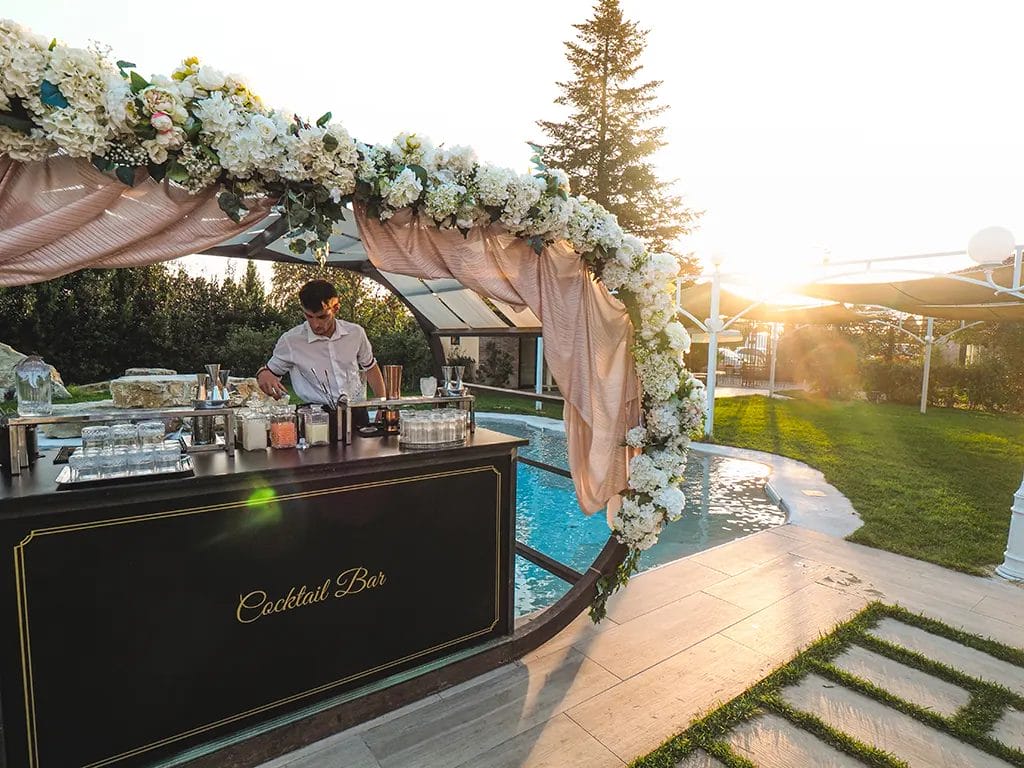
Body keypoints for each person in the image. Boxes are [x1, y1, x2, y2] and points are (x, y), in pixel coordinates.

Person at [256, 280, 387, 423]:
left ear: (336, 308)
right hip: (315, 416)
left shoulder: (355, 333)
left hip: (356, 412)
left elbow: (370, 367)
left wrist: (382, 404)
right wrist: (263, 375)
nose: (315, 324)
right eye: (309, 316)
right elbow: (269, 373)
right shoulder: (291, 341)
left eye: (322, 316)